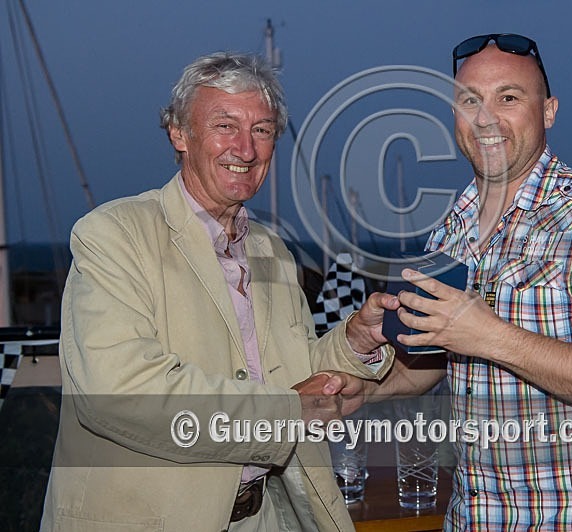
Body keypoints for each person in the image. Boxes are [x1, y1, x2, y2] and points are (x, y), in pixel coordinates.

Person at [40, 52, 397, 532]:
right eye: (225, 126)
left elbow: (287, 376)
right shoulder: (114, 233)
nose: (245, 149)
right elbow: (118, 392)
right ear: (179, 134)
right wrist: (283, 414)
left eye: (262, 130)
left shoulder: (271, 249)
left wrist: (354, 342)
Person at [358, 34, 572, 531]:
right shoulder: (452, 228)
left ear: (548, 112)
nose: (485, 119)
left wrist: (490, 336)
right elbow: (435, 363)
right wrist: (356, 383)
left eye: (508, 98)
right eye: (470, 101)